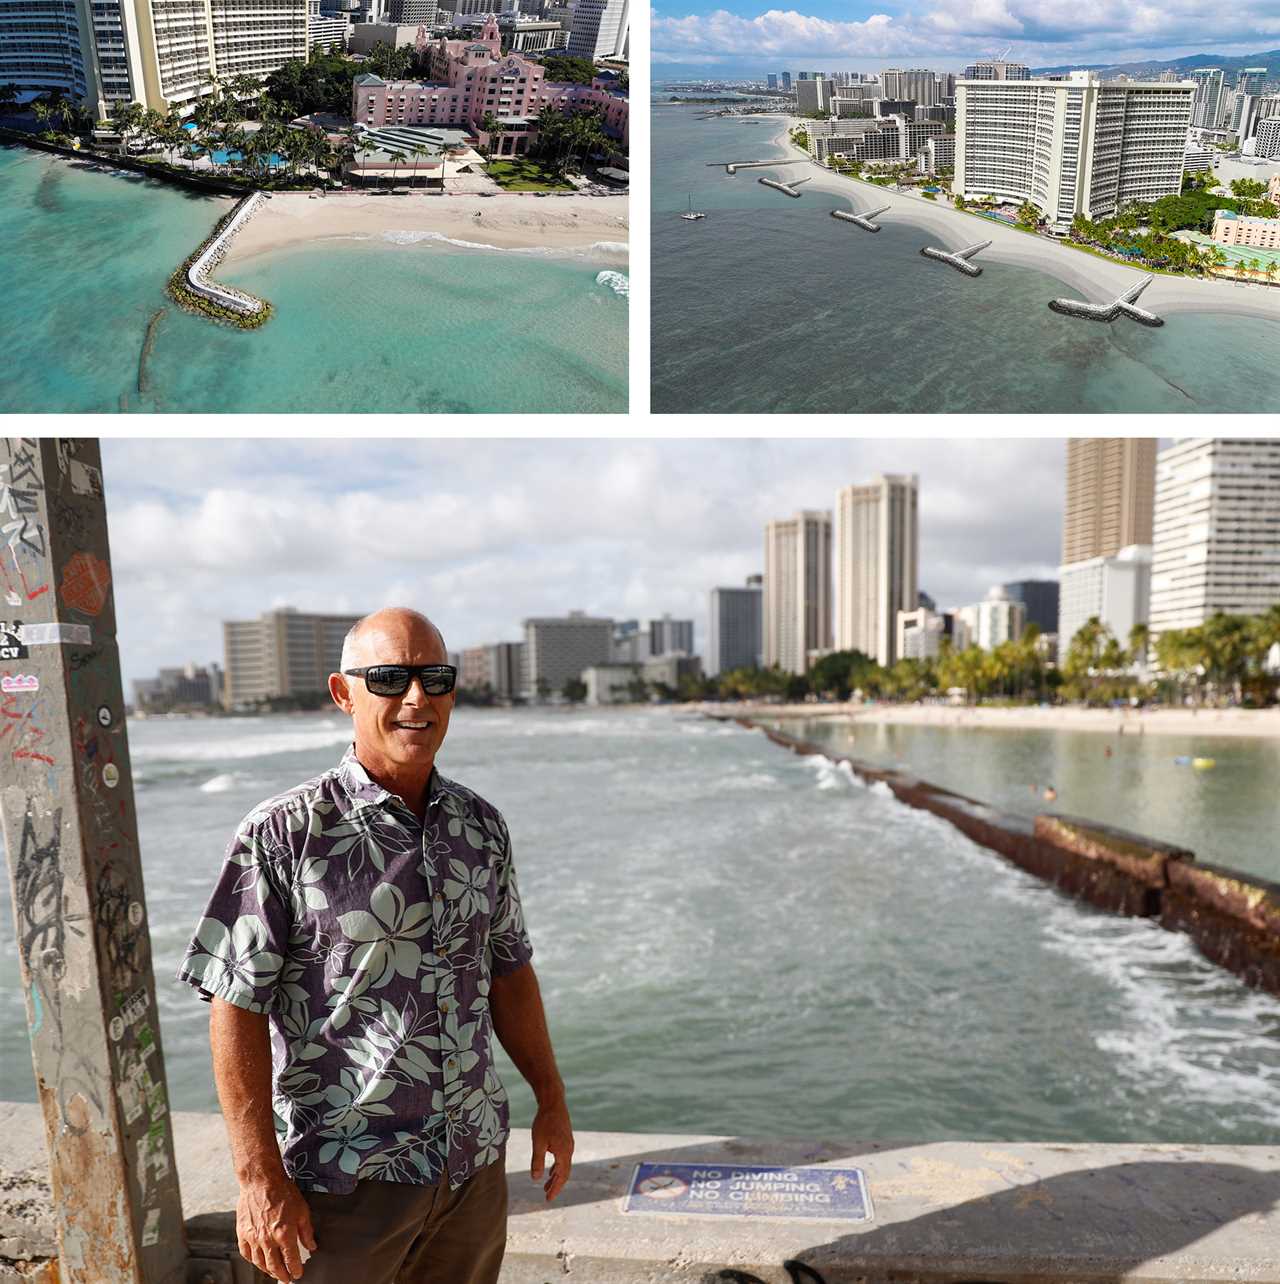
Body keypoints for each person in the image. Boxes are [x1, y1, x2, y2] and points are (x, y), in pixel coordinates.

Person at [177, 607, 572, 1284]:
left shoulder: (481, 827)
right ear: (343, 693)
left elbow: (508, 971)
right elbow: (234, 1004)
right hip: (342, 1185)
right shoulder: (283, 833)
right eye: (389, 678)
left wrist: (551, 1101)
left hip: (471, 1169)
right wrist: (258, 1179)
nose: (415, 697)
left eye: (434, 678)